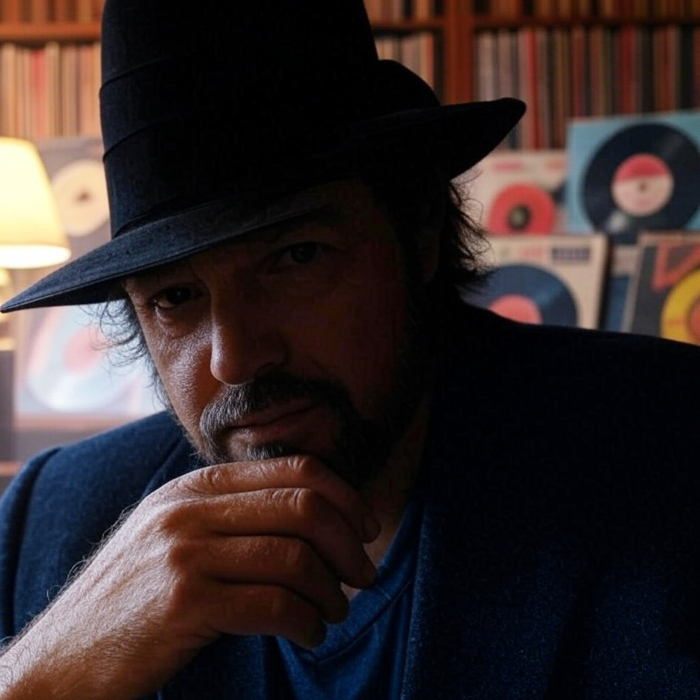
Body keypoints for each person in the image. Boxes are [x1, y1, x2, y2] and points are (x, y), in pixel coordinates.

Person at [1, 0, 700, 698]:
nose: (235, 359)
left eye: (296, 256)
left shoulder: (668, 445)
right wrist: (50, 674)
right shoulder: (53, 517)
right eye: (175, 297)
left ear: (419, 231)